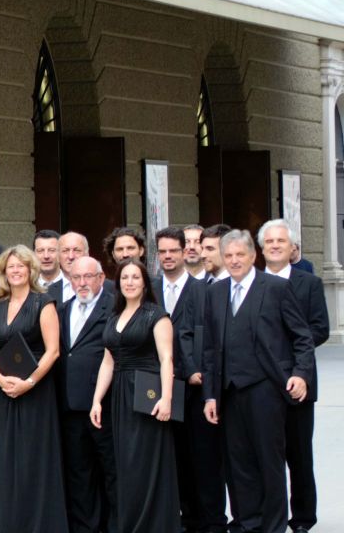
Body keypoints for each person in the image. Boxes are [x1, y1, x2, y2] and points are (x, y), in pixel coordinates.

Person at [201, 230, 316, 533]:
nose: (235, 261)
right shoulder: (214, 292)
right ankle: (246, 523)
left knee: (269, 461)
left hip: (266, 389)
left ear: (254, 256)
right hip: (229, 392)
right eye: (229, 256)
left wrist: (300, 374)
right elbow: (210, 349)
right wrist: (210, 396)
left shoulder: (276, 288)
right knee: (238, 465)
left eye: (241, 255)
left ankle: (273, 526)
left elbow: (302, 337)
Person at [0, 246, 66, 533]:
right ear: (3, 272)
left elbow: (52, 352)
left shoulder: (44, 302)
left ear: (31, 270)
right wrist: (2, 382)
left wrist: (28, 383)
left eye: (21, 266)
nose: (16, 271)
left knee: (34, 460)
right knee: (8, 461)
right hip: (6, 394)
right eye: (10, 267)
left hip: (36, 394)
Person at [88, 258, 180, 533]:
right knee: (126, 462)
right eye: (124, 278)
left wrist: (166, 398)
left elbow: (167, 359)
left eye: (135, 278)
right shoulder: (114, 318)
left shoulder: (156, 316)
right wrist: (96, 400)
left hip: (147, 393)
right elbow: (108, 362)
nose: (129, 282)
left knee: (147, 461)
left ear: (144, 283)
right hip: (119, 397)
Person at [256, 219, 330, 533]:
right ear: (260, 249)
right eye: (269, 242)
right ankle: (266, 515)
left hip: (298, 381)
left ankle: (301, 518)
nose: (274, 246)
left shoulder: (308, 284)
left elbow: (320, 329)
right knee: (263, 455)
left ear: (292, 248)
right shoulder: (251, 283)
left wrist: (289, 358)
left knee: (298, 455)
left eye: (280, 242)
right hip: (259, 384)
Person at [151, 226, 221, 533]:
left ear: (185, 253)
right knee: (172, 458)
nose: (168, 257)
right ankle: (182, 519)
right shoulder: (148, 288)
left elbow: (210, 338)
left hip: (193, 387)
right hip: (156, 388)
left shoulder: (203, 290)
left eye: (173, 251)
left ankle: (211, 522)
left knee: (203, 460)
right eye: (162, 252)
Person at [56, 255, 117, 533]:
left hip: (104, 405)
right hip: (69, 406)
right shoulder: (62, 309)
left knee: (111, 471)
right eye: (76, 277)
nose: (82, 283)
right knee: (79, 475)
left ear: (101, 278)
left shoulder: (114, 307)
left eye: (88, 277)